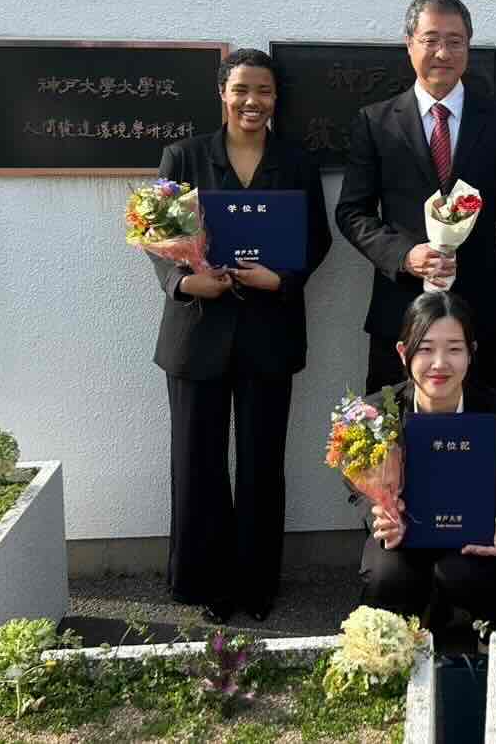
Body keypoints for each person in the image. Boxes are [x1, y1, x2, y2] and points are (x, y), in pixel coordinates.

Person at [148, 47, 333, 623]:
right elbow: (155, 233)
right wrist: (184, 282)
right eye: (242, 90)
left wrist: (283, 279)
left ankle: (256, 584)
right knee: (196, 461)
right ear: (222, 94)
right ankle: (202, 581)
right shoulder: (184, 155)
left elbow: (318, 238)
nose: (253, 102)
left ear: (277, 99)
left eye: (265, 91)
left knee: (261, 463)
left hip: (269, 331)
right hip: (197, 332)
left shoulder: (296, 161)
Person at [336, 0, 496, 395]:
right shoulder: (375, 122)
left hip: (481, 311)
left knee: (479, 424)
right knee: (394, 425)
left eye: (454, 41)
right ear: (409, 44)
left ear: (468, 47)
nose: (443, 53)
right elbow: (352, 212)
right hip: (401, 309)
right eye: (431, 40)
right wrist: (404, 256)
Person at [361, 292, 496, 631]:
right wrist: (382, 511)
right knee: (387, 576)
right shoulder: (376, 414)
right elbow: (355, 481)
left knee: (467, 574)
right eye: (425, 349)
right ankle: (399, 639)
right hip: (407, 532)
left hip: (475, 534)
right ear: (403, 352)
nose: (439, 363)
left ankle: (485, 635)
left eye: (453, 349)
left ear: (471, 352)